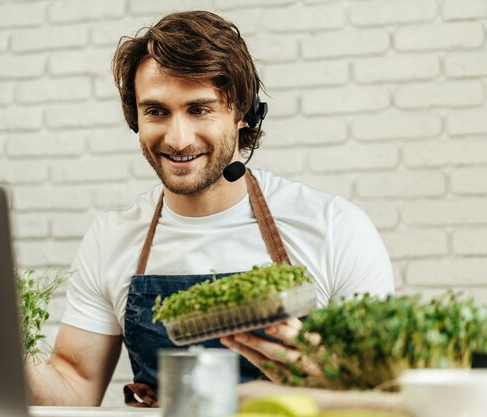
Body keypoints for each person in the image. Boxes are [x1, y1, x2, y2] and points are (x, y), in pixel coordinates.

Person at [26, 10, 394, 407]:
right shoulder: (111, 237)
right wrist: (1, 338)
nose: (178, 138)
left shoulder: (334, 228)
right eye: (156, 111)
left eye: (199, 109)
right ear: (136, 118)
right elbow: (73, 390)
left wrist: (335, 379)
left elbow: (389, 396)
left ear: (242, 113)